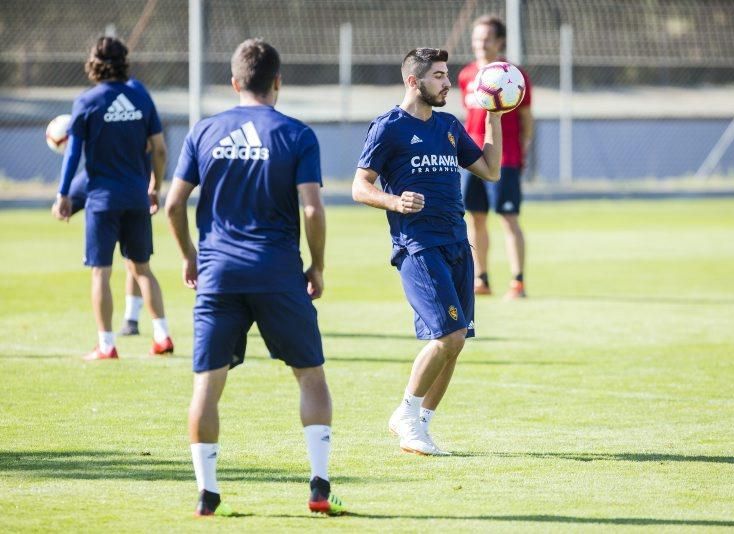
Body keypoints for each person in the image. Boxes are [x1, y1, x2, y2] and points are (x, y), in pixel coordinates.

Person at [165, 38, 346, 516]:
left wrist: (189, 256)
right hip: (278, 272)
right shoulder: (296, 134)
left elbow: (172, 203)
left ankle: (207, 495)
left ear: (234, 82)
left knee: (207, 383)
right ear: (277, 83)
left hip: (219, 272)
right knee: (309, 376)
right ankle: (320, 489)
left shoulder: (205, 131)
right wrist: (318, 264)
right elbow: (312, 206)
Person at [352, 48, 504, 455]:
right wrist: (394, 201)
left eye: (447, 74)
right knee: (447, 335)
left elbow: (490, 169)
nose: (447, 82)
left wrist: (494, 115)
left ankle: (420, 425)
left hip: (456, 243)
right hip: (418, 247)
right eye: (438, 75)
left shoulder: (449, 127)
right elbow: (359, 186)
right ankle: (405, 413)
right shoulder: (389, 127)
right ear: (413, 82)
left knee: (456, 342)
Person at [51, 36, 172, 360]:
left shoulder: (88, 101)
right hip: (136, 197)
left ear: (93, 64)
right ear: (124, 62)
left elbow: (73, 152)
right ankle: (162, 336)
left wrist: (63, 193)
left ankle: (106, 344)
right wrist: (154, 186)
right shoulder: (140, 95)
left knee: (100, 273)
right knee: (142, 269)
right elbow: (159, 149)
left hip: (102, 201)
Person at [458, 15, 533, 299]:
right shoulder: (466, 75)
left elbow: (527, 120)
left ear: (500, 42)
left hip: (505, 158)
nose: (480, 44)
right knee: (475, 218)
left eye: (486, 38)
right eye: (476, 38)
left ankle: (518, 282)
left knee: (508, 217)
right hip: (470, 159)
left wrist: (521, 149)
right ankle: (481, 278)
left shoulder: (515, 76)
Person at [69, 167, 148, 336]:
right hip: (135, 193)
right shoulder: (141, 145)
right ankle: (148, 327)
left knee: (102, 270)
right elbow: (159, 151)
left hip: (105, 199)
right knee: (137, 264)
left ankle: (106, 342)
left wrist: (63, 197)